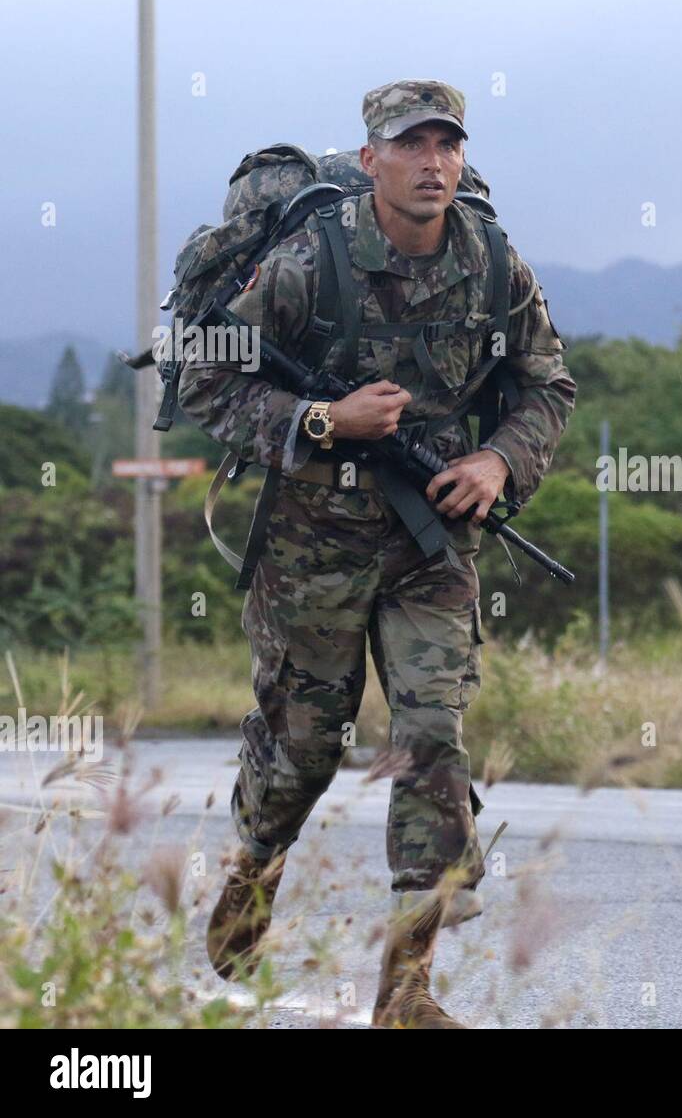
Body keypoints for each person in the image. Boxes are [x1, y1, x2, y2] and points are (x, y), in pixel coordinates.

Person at [178, 78, 576, 1028]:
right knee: (303, 750)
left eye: (447, 144)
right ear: (372, 161)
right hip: (312, 539)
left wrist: (496, 461)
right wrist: (323, 416)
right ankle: (254, 867)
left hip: (431, 542)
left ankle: (406, 989)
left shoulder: (492, 262)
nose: (432, 161)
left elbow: (548, 384)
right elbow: (204, 373)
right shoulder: (311, 262)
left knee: (431, 740)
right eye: (411, 145)